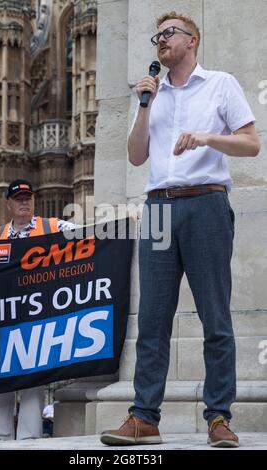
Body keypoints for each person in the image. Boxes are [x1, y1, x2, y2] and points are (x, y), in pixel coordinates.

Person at [100, 11, 260, 448]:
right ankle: (144, 417)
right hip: (157, 209)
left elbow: (251, 143)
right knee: (152, 319)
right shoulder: (153, 94)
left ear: (192, 40)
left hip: (206, 203)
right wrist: (143, 106)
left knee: (215, 316)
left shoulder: (220, 84)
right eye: (157, 36)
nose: (160, 41)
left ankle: (219, 417)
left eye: (168, 33)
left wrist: (209, 138)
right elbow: (135, 157)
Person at [0, 179, 76, 441]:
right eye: (19, 199)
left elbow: (85, 233)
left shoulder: (51, 227)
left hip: (35, 317)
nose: (24, 202)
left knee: (32, 379)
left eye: (28, 198)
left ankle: (29, 441)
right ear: (8, 204)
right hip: (3, 318)